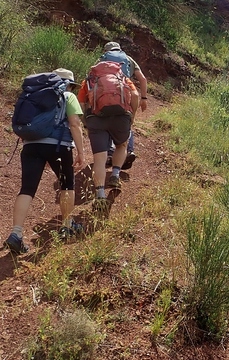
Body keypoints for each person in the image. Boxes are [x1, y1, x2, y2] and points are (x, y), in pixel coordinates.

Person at [3, 68, 87, 255]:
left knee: (27, 188)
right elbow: (74, 124)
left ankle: (16, 234)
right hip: (59, 146)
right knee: (67, 185)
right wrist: (81, 152)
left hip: (30, 146)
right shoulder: (67, 96)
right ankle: (67, 226)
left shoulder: (34, 94)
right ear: (68, 84)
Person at [77, 62, 140, 210]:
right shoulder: (123, 78)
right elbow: (135, 95)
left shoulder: (89, 80)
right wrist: (132, 115)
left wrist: (85, 120)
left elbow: (80, 102)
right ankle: (115, 174)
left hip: (96, 119)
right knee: (122, 145)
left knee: (99, 158)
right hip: (120, 117)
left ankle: (100, 195)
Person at [100, 41, 148, 170]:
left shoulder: (102, 58)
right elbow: (142, 79)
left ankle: (110, 152)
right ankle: (129, 150)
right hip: (125, 91)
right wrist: (143, 98)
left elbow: (91, 76)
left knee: (106, 121)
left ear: (106, 51)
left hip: (104, 93)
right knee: (127, 121)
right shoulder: (128, 58)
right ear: (119, 49)